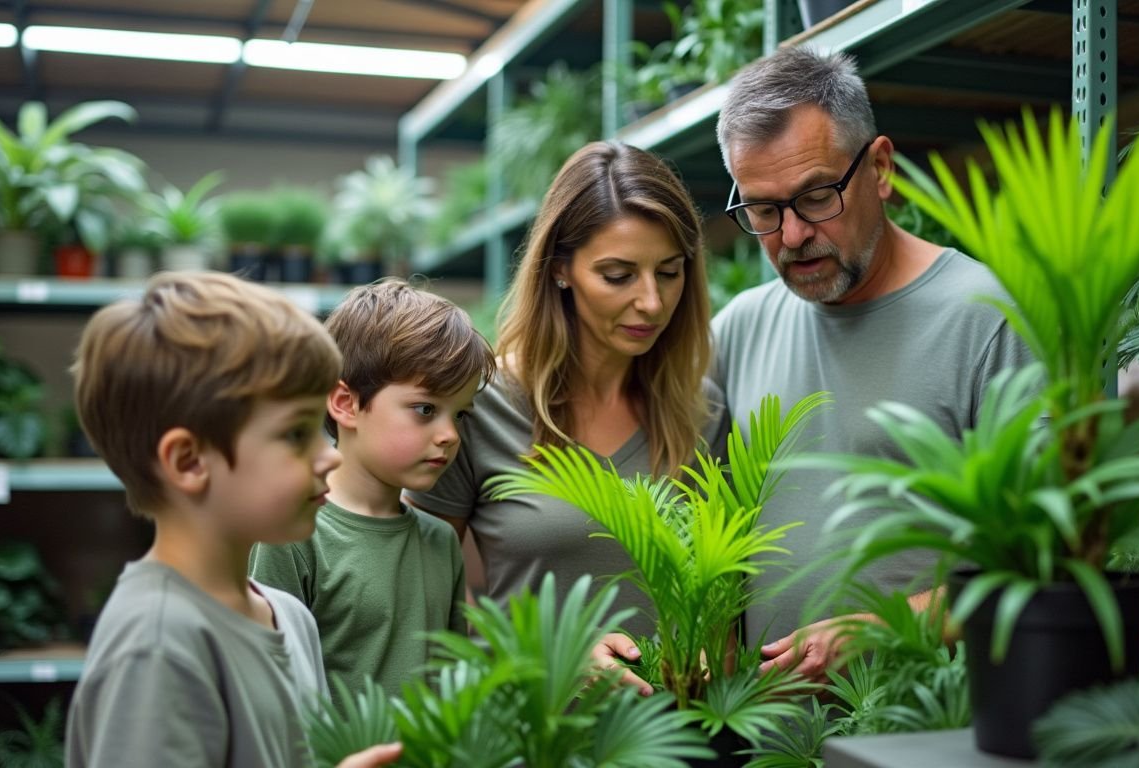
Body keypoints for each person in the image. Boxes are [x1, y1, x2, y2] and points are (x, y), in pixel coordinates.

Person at [712, 46, 1035, 683]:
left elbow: (1042, 564)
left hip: (922, 737)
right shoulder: (738, 329)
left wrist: (890, 626)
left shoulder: (986, 320)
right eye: (764, 210)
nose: (794, 235)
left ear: (880, 168)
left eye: (816, 196)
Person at [405, 141, 729, 692]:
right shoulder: (478, 407)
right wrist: (548, 659)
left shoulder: (702, 413)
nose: (651, 302)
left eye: (669, 272)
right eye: (618, 275)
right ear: (560, 270)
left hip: (680, 742)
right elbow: (422, 600)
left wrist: (710, 651)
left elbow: (723, 600)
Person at [65, 271, 401, 768]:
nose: (329, 456)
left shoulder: (291, 617)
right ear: (188, 461)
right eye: (295, 434)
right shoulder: (157, 645)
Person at [250, 279, 495, 699]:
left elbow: (453, 688)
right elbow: (264, 687)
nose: (450, 435)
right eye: (426, 409)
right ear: (345, 404)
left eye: (460, 415)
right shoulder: (290, 535)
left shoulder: (440, 541)